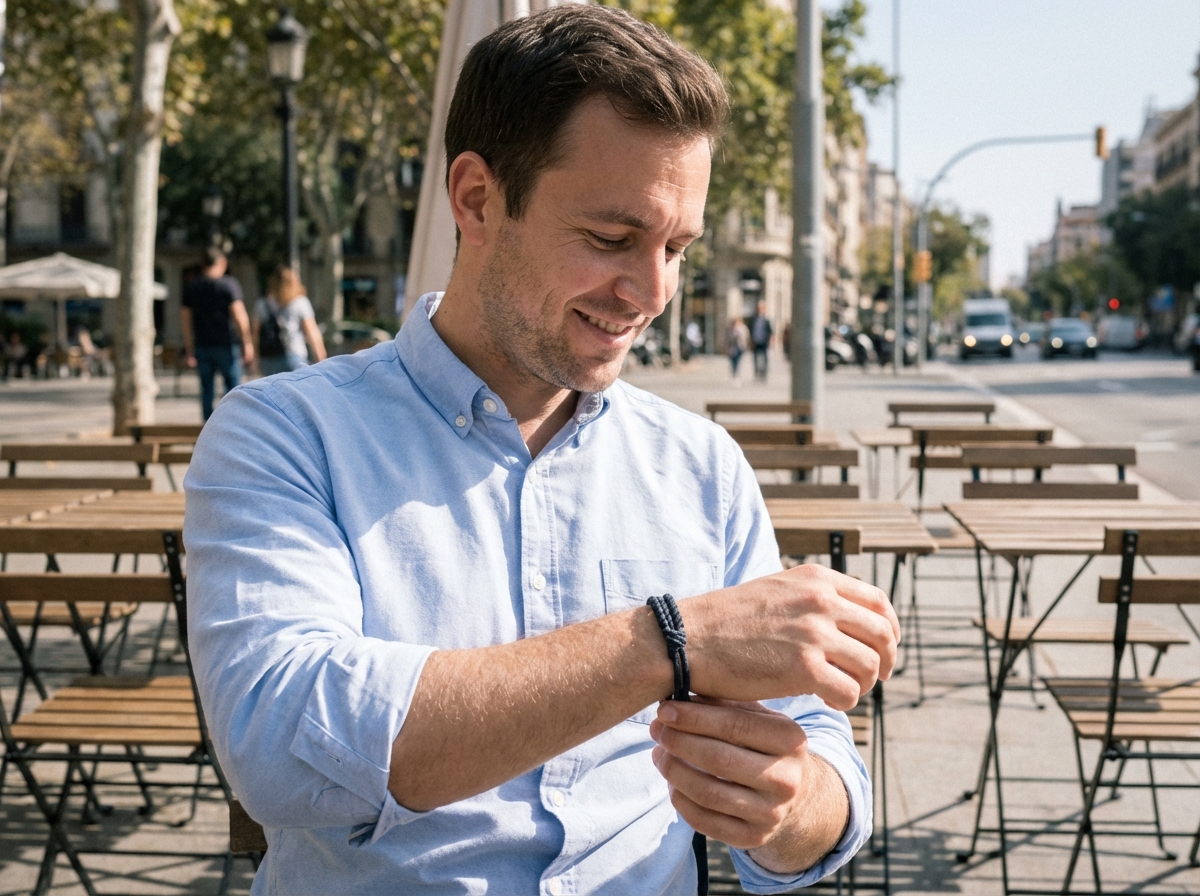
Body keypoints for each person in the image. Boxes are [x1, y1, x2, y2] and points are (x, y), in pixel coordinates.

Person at [185, 8, 898, 895]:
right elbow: (281, 741)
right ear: (477, 199)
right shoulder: (285, 435)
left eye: (677, 247)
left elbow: (819, 762)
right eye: (611, 239)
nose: (652, 292)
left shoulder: (701, 467)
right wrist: (669, 642)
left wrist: (792, 808)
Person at [181, 247, 254, 420]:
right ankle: (233, 423)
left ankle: (209, 426)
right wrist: (247, 343)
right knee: (233, 389)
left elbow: (185, 322)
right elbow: (240, 317)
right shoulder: (229, 285)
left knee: (207, 390)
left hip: (202, 345)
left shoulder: (192, 287)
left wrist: (189, 349)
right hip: (226, 344)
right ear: (222, 263)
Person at [252, 265, 327, 376]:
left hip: (267, 359)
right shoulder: (300, 302)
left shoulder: (262, 304)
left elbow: (255, 333)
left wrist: (255, 358)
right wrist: (321, 358)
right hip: (293, 355)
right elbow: (312, 332)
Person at [751, 300, 773, 380]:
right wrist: (751, 341)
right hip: (756, 341)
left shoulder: (766, 320)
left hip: (764, 341)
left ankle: (764, 372)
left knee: (764, 357)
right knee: (755, 357)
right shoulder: (754, 319)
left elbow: (770, 331)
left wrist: (770, 341)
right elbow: (751, 330)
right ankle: (757, 372)